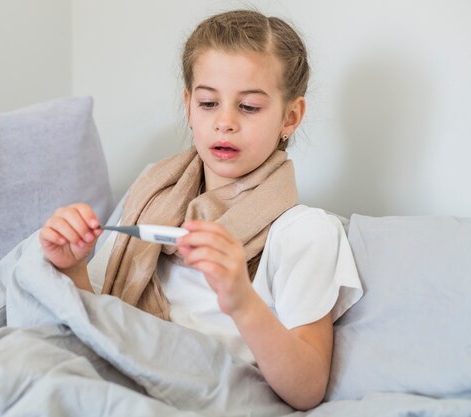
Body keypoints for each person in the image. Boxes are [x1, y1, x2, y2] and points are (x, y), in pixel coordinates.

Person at [39, 9, 362, 411]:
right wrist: (71, 269)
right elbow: (99, 318)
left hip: (197, 393)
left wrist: (242, 301)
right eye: (209, 102)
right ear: (189, 106)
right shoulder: (151, 196)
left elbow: (308, 387)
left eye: (248, 107)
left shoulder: (304, 232)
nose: (224, 122)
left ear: (290, 117)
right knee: (24, 280)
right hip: (115, 374)